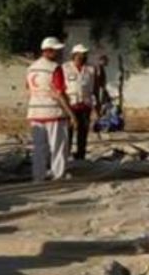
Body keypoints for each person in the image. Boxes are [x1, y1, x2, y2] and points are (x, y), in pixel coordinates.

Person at [26, 37, 77, 182]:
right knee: (58, 147)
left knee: (39, 148)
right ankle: (58, 175)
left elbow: (28, 89)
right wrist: (71, 114)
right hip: (53, 112)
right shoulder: (54, 68)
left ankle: (38, 176)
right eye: (57, 50)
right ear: (49, 51)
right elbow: (59, 93)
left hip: (35, 113)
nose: (60, 53)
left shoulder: (31, 68)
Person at [63, 44, 99, 161]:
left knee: (83, 132)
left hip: (85, 104)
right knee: (68, 131)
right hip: (70, 105)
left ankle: (80, 155)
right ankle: (66, 155)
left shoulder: (91, 69)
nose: (82, 56)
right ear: (74, 55)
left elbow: (95, 88)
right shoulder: (65, 68)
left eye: (84, 54)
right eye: (80, 54)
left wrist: (96, 106)